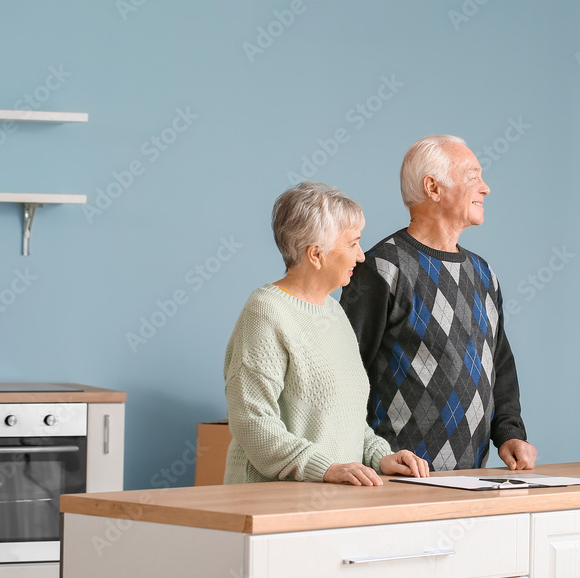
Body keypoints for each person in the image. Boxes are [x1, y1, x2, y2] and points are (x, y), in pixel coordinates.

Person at [340, 135, 536, 472]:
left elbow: (499, 362)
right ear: (433, 188)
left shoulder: (483, 272)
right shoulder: (381, 268)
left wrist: (508, 432)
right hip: (396, 479)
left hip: (471, 478)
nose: (485, 187)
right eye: (473, 176)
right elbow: (344, 373)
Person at [223, 181, 429, 486]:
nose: (361, 256)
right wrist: (325, 469)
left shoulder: (335, 313)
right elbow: (252, 421)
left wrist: (380, 456)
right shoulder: (265, 311)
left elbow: (344, 419)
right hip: (271, 505)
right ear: (316, 255)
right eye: (352, 243)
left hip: (329, 503)